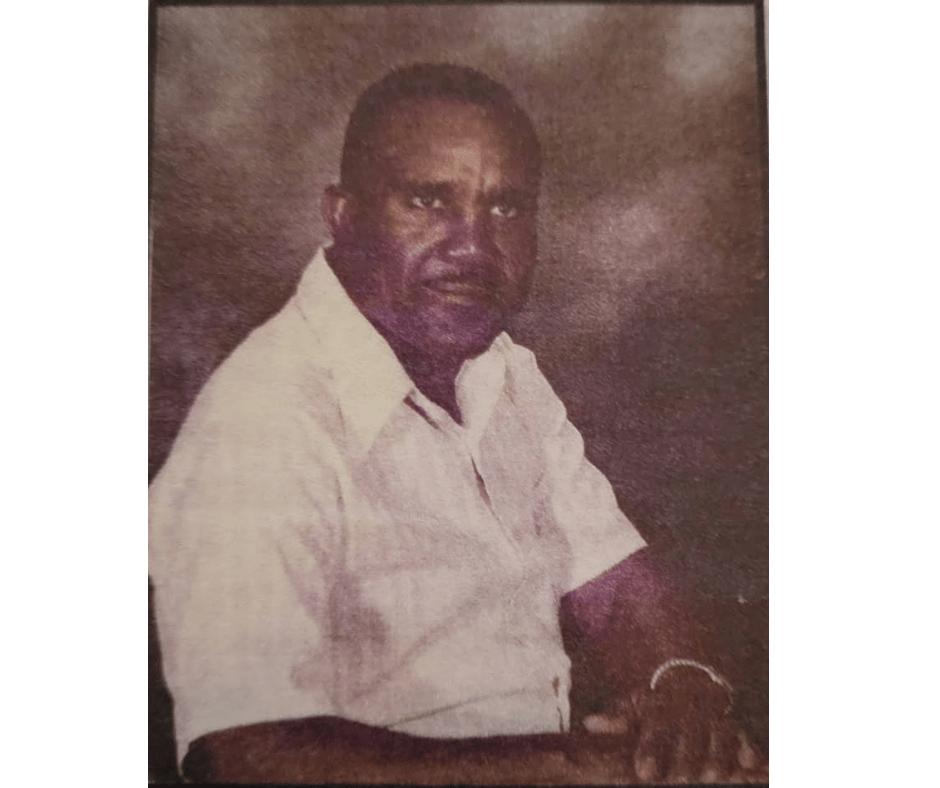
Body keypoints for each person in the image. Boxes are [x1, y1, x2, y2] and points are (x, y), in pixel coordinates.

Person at [149, 63, 767, 784]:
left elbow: (618, 586)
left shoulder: (500, 371)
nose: (473, 245)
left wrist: (685, 690)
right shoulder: (261, 420)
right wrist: (586, 768)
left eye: (505, 207)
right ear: (342, 215)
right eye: (428, 200)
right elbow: (245, 756)